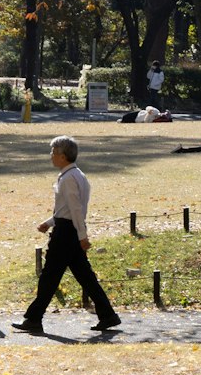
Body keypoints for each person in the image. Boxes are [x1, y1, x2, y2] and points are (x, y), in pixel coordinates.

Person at [14, 136, 121, 335]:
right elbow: (67, 210)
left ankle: (34, 318)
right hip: (67, 229)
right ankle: (107, 315)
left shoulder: (69, 178)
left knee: (50, 276)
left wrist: (83, 236)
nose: (51, 156)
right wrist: (49, 222)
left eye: (53, 153)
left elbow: (75, 210)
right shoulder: (77, 175)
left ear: (62, 156)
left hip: (66, 234)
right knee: (84, 276)